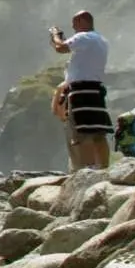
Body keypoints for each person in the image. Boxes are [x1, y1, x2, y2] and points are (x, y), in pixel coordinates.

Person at [51, 10, 111, 170]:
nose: (73, 27)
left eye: (75, 23)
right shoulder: (101, 40)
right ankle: (104, 167)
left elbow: (61, 48)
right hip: (96, 89)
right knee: (98, 132)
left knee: (81, 133)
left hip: (80, 90)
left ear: (83, 21)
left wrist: (55, 36)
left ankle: (88, 170)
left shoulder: (83, 37)